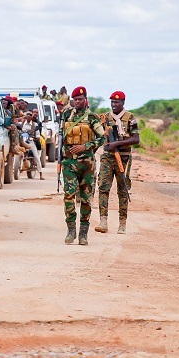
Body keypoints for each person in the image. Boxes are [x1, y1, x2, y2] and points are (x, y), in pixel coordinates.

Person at [59, 86, 105, 245]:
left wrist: (85, 147)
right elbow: (62, 137)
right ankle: (71, 230)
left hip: (87, 164)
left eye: (80, 99)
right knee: (68, 196)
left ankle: (83, 232)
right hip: (69, 162)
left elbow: (102, 138)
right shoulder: (66, 115)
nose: (77, 102)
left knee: (86, 199)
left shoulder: (92, 117)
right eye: (75, 99)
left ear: (85, 99)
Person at [94, 91, 139, 234]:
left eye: (117, 102)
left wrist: (118, 143)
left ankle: (122, 223)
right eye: (112, 102)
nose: (114, 105)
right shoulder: (105, 118)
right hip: (108, 156)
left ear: (123, 103)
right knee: (103, 187)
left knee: (123, 189)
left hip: (124, 157)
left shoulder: (130, 118)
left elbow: (135, 139)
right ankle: (103, 221)